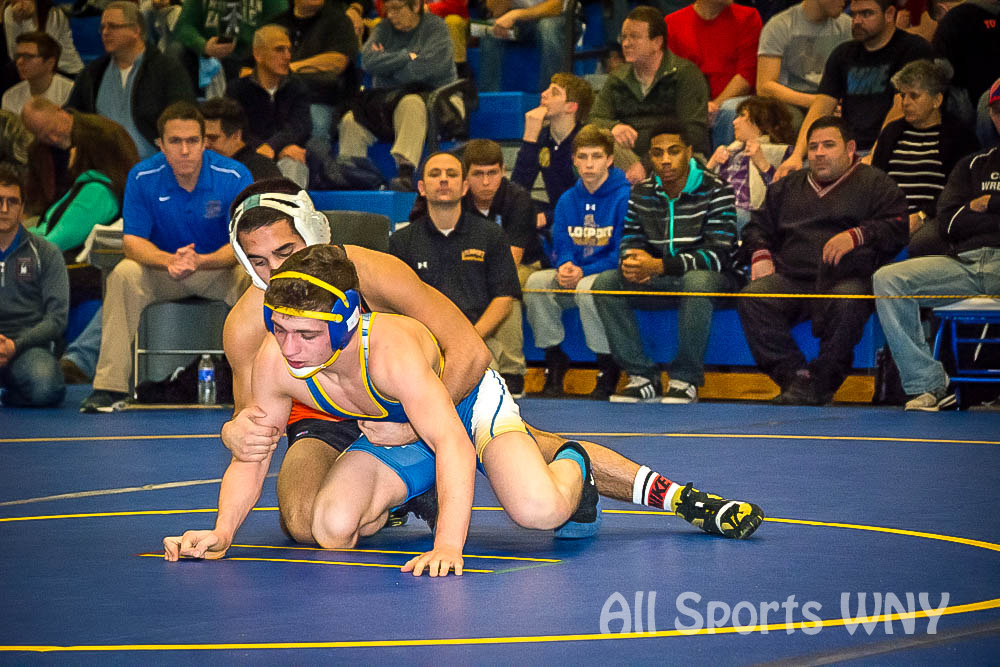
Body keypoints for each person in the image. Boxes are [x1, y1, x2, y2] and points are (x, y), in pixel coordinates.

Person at [220, 176, 765, 548]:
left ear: (315, 235)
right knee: (307, 525)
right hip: (330, 413)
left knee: (529, 465)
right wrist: (234, 435)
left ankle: (672, 495)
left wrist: (413, 426)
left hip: (422, 393)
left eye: (286, 252)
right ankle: (409, 490)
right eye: (258, 261)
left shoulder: (371, 271)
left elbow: (470, 350)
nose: (275, 272)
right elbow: (253, 428)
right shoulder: (247, 328)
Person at [79, 102, 253, 413]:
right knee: (123, 274)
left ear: (205, 142)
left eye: (192, 141)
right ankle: (109, 387)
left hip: (218, 268)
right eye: (175, 141)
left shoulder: (234, 175)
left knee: (253, 278)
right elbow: (132, 242)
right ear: (160, 144)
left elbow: (245, 242)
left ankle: (255, 386)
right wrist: (168, 260)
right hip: (163, 270)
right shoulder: (142, 176)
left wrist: (202, 261)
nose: (185, 150)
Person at [740, 115, 908, 405]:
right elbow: (756, 227)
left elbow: (898, 226)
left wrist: (858, 235)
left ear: (850, 148)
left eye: (829, 145)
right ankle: (796, 377)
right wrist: (760, 253)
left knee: (850, 299)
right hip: (792, 278)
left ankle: (823, 381)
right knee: (754, 296)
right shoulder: (787, 186)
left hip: (846, 279)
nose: (819, 153)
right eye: (813, 146)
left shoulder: (876, 183)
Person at [593, 119, 742, 404]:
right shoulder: (642, 191)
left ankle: (686, 378)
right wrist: (632, 262)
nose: (665, 160)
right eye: (657, 153)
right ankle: (642, 377)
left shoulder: (717, 189)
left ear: (689, 152)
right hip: (660, 278)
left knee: (697, 281)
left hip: (713, 282)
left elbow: (718, 255)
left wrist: (660, 266)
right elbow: (631, 238)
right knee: (605, 282)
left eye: (673, 151)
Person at [872, 81, 1000, 411]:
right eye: (999, 111)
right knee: (888, 279)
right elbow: (950, 221)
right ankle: (928, 383)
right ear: (991, 116)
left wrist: (988, 203)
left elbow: (964, 216)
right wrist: (977, 213)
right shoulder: (973, 164)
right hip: (965, 264)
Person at [389, 153, 524, 392]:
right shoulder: (401, 241)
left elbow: (504, 299)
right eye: (435, 174)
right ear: (421, 188)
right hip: (422, 346)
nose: (443, 179)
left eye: (451, 174)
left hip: (478, 341)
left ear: (464, 187)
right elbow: (393, 304)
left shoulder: (491, 235)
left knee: (483, 390)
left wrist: (468, 339)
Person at [524, 125, 629, 399]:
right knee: (536, 283)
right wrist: (565, 265)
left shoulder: (624, 196)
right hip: (576, 271)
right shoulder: (567, 199)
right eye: (583, 157)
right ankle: (554, 359)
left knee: (585, 288)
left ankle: (607, 365)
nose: (589, 164)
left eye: (597, 156)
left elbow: (622, 251)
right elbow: (562, 245)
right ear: (574, 160)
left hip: (608, 274)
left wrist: (583, 271)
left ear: (609, 159)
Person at [775, 0, 933, 179]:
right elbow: (821, 107)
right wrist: (797, 155)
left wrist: (875, 154)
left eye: (866, 14)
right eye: (854, 14)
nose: (857, 21)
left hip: (897, 148)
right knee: (793, 176)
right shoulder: (843, 53)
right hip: (848, 149)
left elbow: (900, 109)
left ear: (889, 14)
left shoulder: (913, 49)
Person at [337, 0, 459, 192]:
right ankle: (352, 174)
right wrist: (407, 56)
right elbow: (368, 61)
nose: (391, 15)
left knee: (411, 103)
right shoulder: (383, 29)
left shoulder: (436, 27)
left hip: (436, 98)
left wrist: (387, 65)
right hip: (389, 100)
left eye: (396, 8)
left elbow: (425, 70)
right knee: (351, 120)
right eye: (388, 9)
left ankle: (405, 173)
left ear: (415, 6)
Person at [589, 5, 709, 183]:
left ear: (657, 42)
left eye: (634, 37)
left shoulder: (685, 74)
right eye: (624, 37)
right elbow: (594, 118)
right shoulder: (617, 78)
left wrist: (647, 164)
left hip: (675, 156)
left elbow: (693, 132)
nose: (626, 43)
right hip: (628, 158)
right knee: (594, 141)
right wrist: (613, 127)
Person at [870, 58, 977, 255]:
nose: (905, 103)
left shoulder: (959, 136)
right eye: (903, 95)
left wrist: (922, 214)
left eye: (914, 96)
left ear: (937, 100)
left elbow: (960, 190)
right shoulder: (891, 132)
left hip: (933, 219)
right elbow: (875, 181)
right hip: (889, 218)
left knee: (922, 243)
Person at [64, 1, 196, 160]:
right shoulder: (92, 73)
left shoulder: (167, 70)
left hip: (154, 165)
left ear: (136, 30)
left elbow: (184, 119)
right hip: (103, 166)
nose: (105, 32)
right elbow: (73, 116)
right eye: (102, 27)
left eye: (113, 26)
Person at [0, 163, 68, 407]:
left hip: (28, 347)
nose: (4, 209)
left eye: (12, 202)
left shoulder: (46, 253)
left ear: (22, 208)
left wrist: (14, 345)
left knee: (46, 386)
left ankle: (10, 395)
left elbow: (57, 319)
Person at [270, 0, 361, 165]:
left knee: (315, 131)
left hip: (323, 99)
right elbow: (257, 64)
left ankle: (319, 172)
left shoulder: (338, 21)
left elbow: (337, 61)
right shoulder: (276, 24)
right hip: (280, 98)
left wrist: (288, 68)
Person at [665, 0, 763, 148]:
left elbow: (746, 75)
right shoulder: (672, 22)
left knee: (730, 110)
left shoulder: (748, 17)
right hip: (692, 100)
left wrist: (715, 105)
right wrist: (699, 108)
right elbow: (673, 77)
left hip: (734, 101)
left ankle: (726, 161)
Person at [225, 25, 312, 188]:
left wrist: (272, 147)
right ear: (258, 54)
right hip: (248, 155)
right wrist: (262, 148)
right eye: (279, 50)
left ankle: (291, 205)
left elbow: (299, 126)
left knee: (294, 161)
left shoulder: (297, 87)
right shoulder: (236, 90)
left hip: (286, 152)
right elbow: (237, 129)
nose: (287, 56)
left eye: (289, 50)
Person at [510, 72, 593, 230]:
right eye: (547, 89)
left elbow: (589, 199)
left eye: (554, 93)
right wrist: (530, 138)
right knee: (514, 211)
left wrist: (549, 217)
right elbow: (518, 190)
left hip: (585, 214)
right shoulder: (543, 137)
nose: (544, 94)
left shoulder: (587, 141)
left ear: (571, 106)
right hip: (556, 209)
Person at [705, 95, 794, 231]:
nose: (734, 122)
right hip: (719, 209)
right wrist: (711, 164)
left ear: (761, 122)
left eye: (742, 116)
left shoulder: (783, 153)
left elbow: (784, 198)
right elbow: (698, 191)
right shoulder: (729, 151)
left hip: (749, 216)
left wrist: (763, 165)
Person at [755, 0, 852, 123]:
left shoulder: (848, 25)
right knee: (790, 120)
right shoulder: (779, 25)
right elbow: (765, 87)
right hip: (793, 102)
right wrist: (819, 103)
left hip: (835, 100)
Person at [170, 0, 287, 83]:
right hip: (204, 54)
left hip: (249, 56)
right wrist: (204, 46)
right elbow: (184, 26)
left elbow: (282, 24)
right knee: (176, 50)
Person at [477, 0, 567, 93]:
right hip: (522, 21)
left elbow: (556, 7)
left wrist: (517, 14)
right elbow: (495, 11)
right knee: (492, 29)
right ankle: (489, 96)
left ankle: (551, 94)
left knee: (548, 27)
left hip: (557, 17)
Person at [200, 97, 282, 180]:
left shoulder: (262, 171)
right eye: (202, 137)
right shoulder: (201, 167)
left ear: (236, 135)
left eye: (212, 138)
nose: (205, 144)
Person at [3, 0, 83, 76]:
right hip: (36, 72)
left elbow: (44, 52)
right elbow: (14, 54)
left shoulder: (54, 12)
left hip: (67, 71)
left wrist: (28, 20)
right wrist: (17, 23)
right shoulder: (10, 12)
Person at [2, 31, 72, 114]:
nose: (19, 62)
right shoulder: (11, 96)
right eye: (18, 56)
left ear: (50, 63)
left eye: (28, 56)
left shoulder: (71, 93)